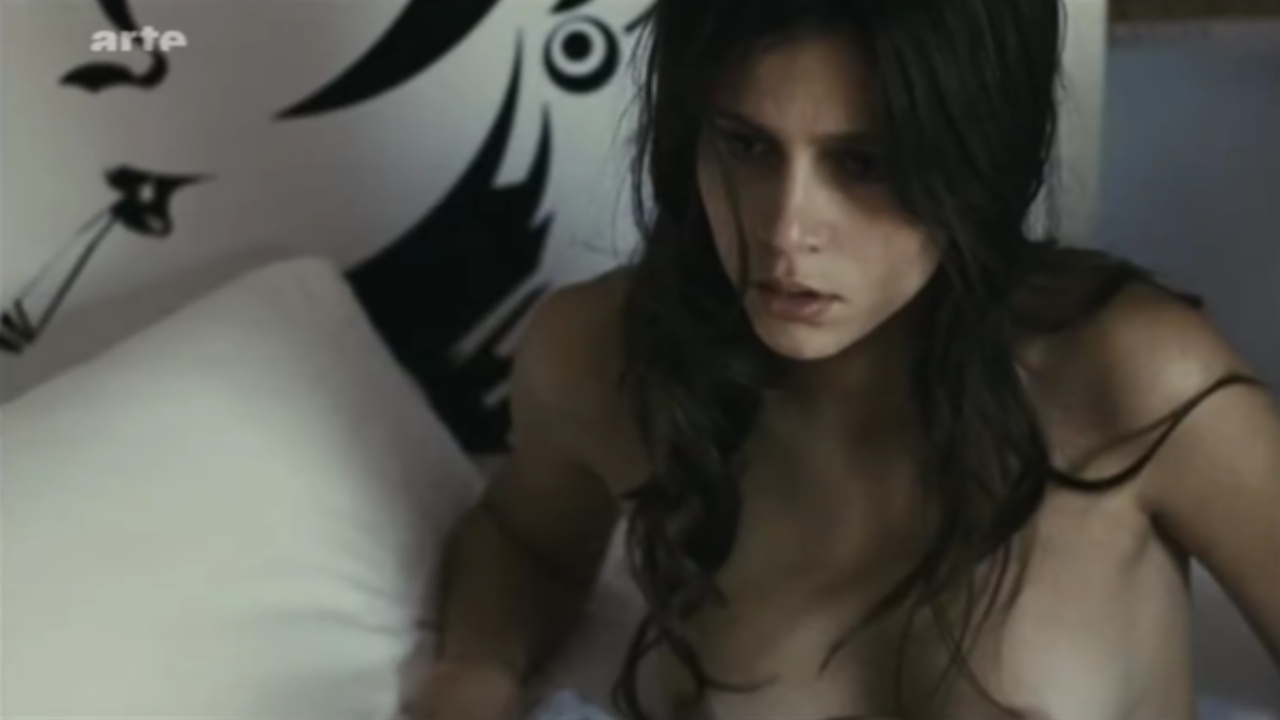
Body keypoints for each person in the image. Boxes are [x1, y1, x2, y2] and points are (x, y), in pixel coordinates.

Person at [404, 0, 1280, 718]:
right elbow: (525, 544)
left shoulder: (1131, 382)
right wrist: (472, 679)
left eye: (864, 164)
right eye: (746, 145)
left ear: (975, 157)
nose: (786, 231)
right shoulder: (606, 359)